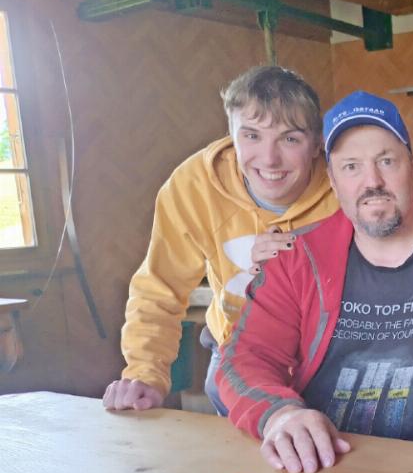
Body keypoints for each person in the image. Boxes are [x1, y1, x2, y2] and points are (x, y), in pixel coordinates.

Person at [217, 91, 413, 473]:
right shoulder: (296, 259)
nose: (372, 182)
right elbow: (245, 357)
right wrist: (280, 414)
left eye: (386, 161)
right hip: (325, 466)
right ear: (332, 180)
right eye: (351, 167)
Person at [103, 67, 338, 414]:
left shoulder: (344, 181)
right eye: (252, 136)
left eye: (290, 139)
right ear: (231, 135)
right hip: (235, 352)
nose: (269, 158)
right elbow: (160, 287)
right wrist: (145, 375)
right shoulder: (192, 185)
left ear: (318, 143)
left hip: (328, 357)